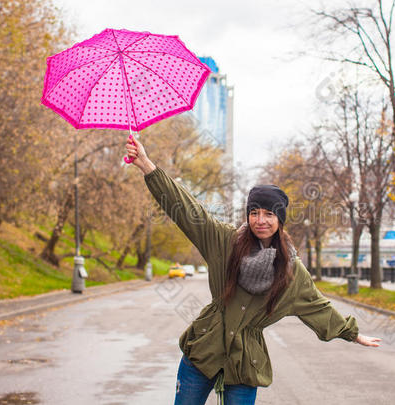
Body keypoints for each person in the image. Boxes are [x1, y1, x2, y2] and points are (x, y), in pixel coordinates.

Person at [125, 138, 381, 405]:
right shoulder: (225, 241)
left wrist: (353, 333)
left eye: (269, 214)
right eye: (255, 212)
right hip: (203, 351)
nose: (261, 220)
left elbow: (318, 307)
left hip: (245, 363)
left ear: (280, 220)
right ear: (247, 215)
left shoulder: (291, 270)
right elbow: (187, 210)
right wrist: (145, 163)